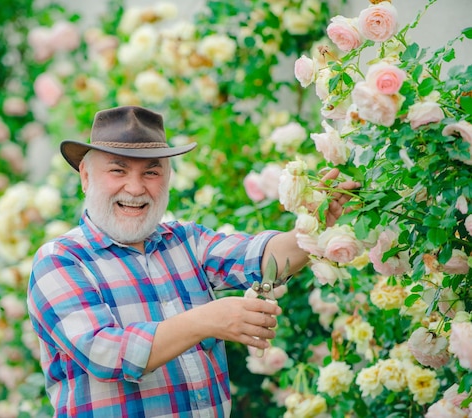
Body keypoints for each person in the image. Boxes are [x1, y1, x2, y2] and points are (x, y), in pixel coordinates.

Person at [27, 105, 359, 417]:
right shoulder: (60, 260)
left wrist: (315, 224)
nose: (135, 187)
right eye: (118, 170)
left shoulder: (184, 240)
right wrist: (208, 320)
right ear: (86, 175)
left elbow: (256, 257)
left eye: (152, 172)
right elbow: (106, 353)